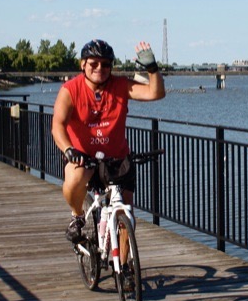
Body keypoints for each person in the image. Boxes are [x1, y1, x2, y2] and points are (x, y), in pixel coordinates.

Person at [52, 39, 166, 243]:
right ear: (83, 64)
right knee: (74, 180)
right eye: (93, 63)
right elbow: (58, 125)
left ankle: (125, 262)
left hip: (117, 159)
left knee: (126, 217)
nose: (100, 68)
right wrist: (69, 149)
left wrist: (152, 68)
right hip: (83, 157)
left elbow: (155, 93)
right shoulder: (70, 90)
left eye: (105, 64)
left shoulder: (120, 85)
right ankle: (77, 215)